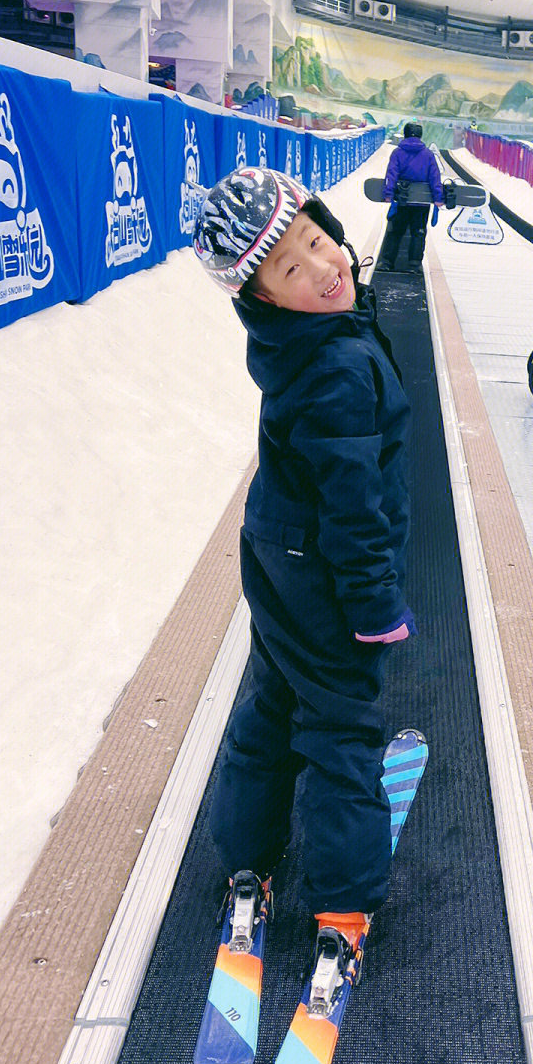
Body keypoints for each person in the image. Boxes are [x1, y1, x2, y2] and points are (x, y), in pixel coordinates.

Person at [192, 166, 414, 971]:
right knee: (341, 726)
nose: (324, 267)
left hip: (277, 556)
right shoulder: (337, 372)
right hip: (322, 575)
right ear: (263, 297)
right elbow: (354, 510)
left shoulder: (304, 342)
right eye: (292, 266)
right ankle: (345, 902)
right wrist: (375, 603)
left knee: (275, 697)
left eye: (319, 243)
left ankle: (248, 857)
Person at [376, 121, 444, 273]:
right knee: (418, 232)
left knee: (395, 231)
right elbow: (435, 178)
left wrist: (388, 194)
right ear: (420, 136)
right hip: (422, 202)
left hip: (402, 200)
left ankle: (387, 262)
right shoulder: (428, 155)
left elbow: (391, 175)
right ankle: (414, 265)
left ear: (405, 134)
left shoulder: (397, 153)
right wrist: (438, 197)